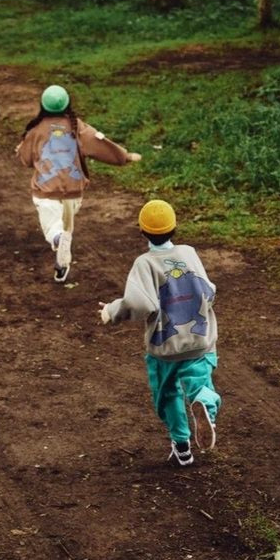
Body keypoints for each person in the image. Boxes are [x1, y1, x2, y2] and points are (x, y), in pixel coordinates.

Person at [98, 199, 220, 467]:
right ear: (175, 228)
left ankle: (182, 446)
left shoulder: (145, 263)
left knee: (168, 395)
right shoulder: (189, 253)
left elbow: (140, 303)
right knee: (200, 383)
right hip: (200, 340)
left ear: (142, 232)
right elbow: (208, 289)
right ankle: (204, 401)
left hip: (165, 347)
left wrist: (112, 311)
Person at [16, 84, 141, 283]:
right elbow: (100, 143)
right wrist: (123, 156)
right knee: (67, 229)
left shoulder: (36, 130)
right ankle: (61, 266)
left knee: (53, 229)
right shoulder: (77, 127)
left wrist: (23, 149)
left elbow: (25, 159)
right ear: (68, 104)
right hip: (74, 193)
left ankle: (57, 239)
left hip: (46, 191)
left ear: (42, 105)